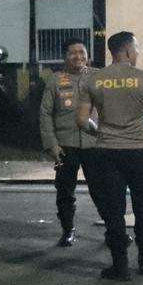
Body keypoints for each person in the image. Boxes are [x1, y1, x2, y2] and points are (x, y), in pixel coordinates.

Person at [76, 31, 143, 281]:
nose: (137, 52)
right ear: (128, 51)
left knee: (114, 211)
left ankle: (120, 267)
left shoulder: (94, 80)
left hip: (107, 153)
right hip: (140, 152)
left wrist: (99, 132)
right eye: (136, 48)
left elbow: (82, 120)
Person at [39, 37, 95, 247]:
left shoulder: (98, 77)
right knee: (64, 190)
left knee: (103, 190)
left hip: (94, 144)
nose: (78, 56)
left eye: (82, 52)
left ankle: (113, 230)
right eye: (73, 53)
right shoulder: (55, 80)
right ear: (65, 57)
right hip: (65, 145)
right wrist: (52, 144)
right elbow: (45, 114)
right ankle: (67, 229)